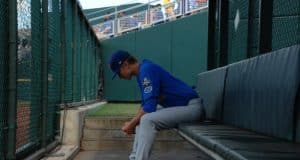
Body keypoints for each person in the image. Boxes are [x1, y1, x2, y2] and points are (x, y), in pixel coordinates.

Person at [109, 50, 205, 160]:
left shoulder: (146, 70)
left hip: (192, 107)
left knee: (146, 119)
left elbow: (149, 107)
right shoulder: (142, 71)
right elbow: (145, 104)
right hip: (182, 107)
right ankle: (134, 157)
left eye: (119, 72)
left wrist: (131, 124)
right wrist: (133, 122)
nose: (120, 76)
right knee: (142, 118)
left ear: (126, 65)